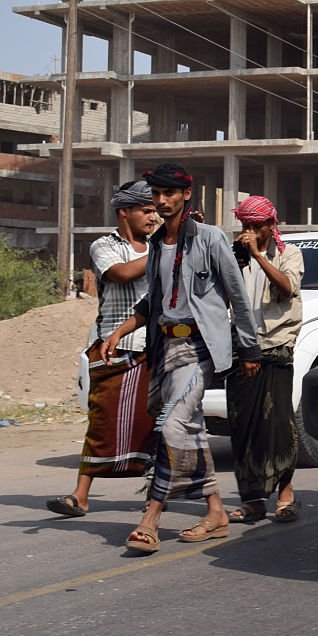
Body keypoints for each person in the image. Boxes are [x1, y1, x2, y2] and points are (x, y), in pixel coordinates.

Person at [100, 162, 261, 554]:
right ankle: (216, 511)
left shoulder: (209, 238)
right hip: (165, 348)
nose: (161, 202)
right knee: (189, 429)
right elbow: (152, 300)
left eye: (169, 194)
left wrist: (249, 348)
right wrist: (120, 330)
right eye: (156, 195)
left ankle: (150, 519)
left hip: (200, 347)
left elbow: (237, 295)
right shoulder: (156, 244)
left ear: (186, 194)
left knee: (171, 426)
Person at [46, 181, 159, 518]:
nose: (153, 217)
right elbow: (122, 274)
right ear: (124, 211)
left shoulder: (162, 244)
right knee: (102, 420)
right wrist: (170, 247)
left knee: (158, 427)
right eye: (146, 210)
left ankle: (157, 500)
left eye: (156, 210)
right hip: (117, 346)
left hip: (157, 346)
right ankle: (80, 496)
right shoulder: (104, 246)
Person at [226, 196, 305, 524]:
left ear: (271, 226)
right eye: (246, 226)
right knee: (244, 427)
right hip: (242, 348)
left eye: (256, 226)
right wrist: (239, 257)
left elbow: (287, 288)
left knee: (277, 426)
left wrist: (258, 256)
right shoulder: (236, 257)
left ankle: (285, 494)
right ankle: (253, 500)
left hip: (275, 349)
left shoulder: (288, 254)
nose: (250, 232)